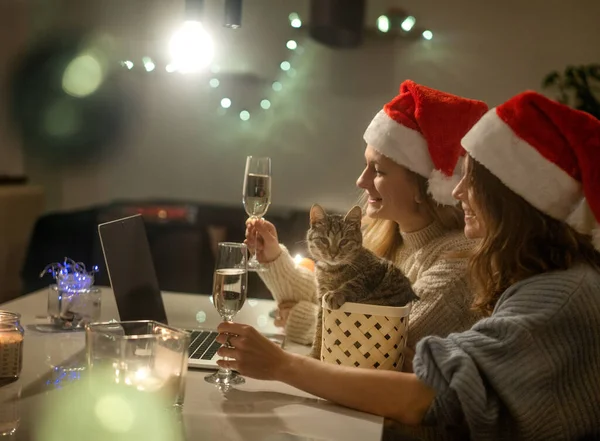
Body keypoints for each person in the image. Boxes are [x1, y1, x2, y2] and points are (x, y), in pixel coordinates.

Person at [218, 91, 600, 439]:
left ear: (511, 199)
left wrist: (283, 363)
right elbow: (343, 303)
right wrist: (282, 270)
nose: (457, 190)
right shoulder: (541, 280)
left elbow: (416, 387)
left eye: (473, 181)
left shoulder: (561, 294)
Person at [247, 80, 489, 359]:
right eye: (366, 166)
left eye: (378, 171)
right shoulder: (386, 235)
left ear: (424, 187)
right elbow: (329, 292)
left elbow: (378, 345)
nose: (361, 181)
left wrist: (299, 320)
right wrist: (274, 258)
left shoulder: (455, 262)